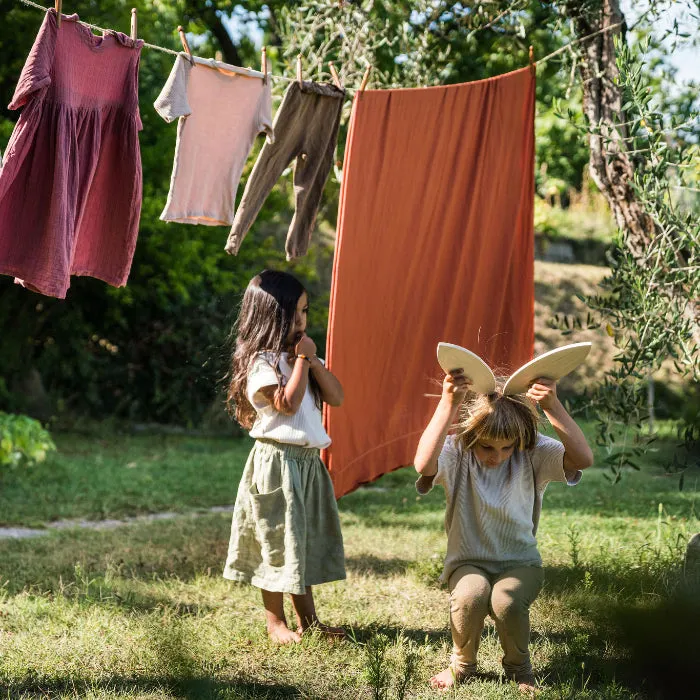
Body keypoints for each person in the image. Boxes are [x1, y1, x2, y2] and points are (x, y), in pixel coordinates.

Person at [414, 369, 594, 691]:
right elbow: (424, 464)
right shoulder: (458, 452)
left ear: (518, 441)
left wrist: (553, 406)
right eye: (487, 448)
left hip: (520, 563)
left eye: (506, 448)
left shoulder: (532, 450)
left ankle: (519, 668)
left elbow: (582, 458)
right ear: (472, 437)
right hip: (469, 561)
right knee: (471, 595)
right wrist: (447, 402)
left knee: (506, 601)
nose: (497, 456)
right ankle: (462, 665)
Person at [223, 269, 346, 643]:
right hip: (276, 465)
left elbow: (337, 398)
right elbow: (287, 406)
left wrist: (313, 363)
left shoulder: (302, 360)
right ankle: (275, 622)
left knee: (301, 543)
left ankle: (310, 622)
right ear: (270, 317)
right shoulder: (263, 363)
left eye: (306, 312)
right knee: (276, 541)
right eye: (295, 313)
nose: (302, 321)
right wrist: (303, 364)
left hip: (308, 466)